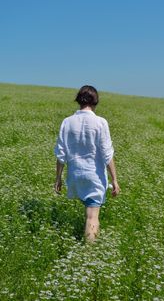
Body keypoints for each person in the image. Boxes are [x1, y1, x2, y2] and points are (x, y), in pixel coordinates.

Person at [54, 85, 120, 243]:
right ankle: (89, 254)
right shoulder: (100, 122)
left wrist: (57, 179)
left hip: (75, 176)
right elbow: (107, 154)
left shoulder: (67, 122)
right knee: (92, 217)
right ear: (96, 101)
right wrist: (114, 180)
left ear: (78, 100)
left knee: (87, 212)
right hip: (94, 176)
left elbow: (61, 154)